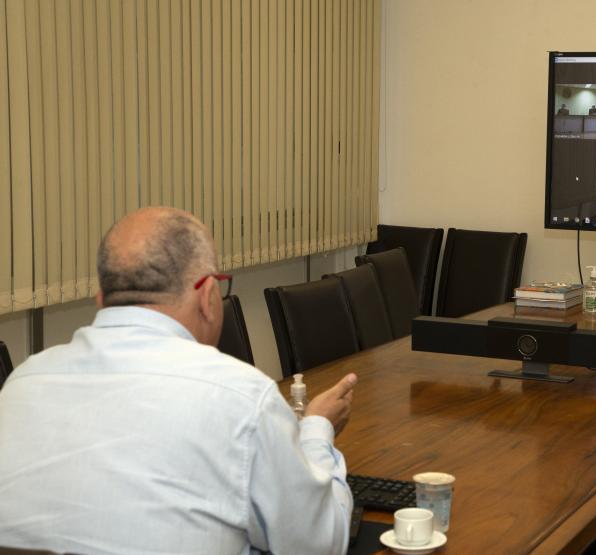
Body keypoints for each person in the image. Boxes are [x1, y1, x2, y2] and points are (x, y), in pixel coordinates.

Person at [0, 207, 357, 554]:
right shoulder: (242, 398)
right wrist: (316, 430)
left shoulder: (21, 385)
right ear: (207, 296)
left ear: (101, 301)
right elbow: (318, 542)